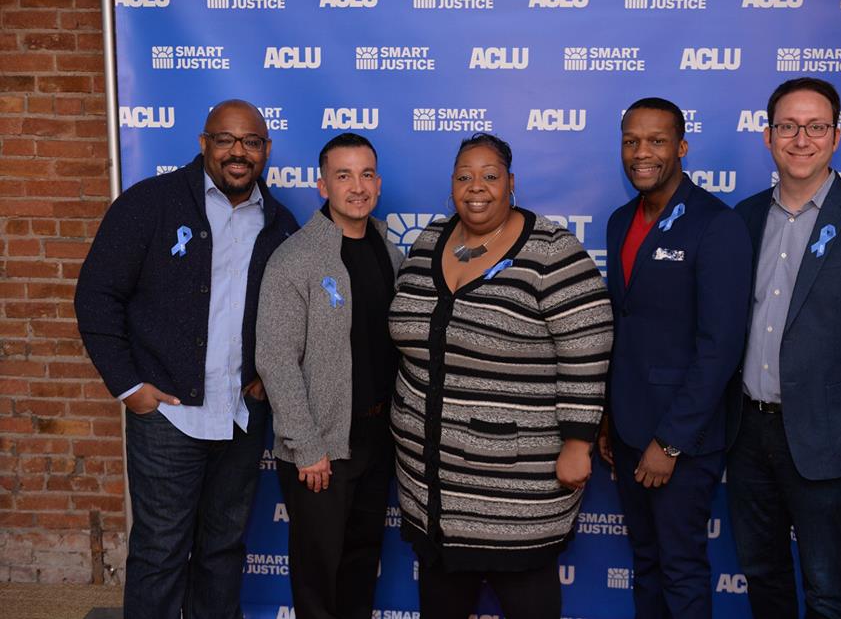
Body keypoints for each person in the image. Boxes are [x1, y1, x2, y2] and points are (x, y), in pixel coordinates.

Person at [74, 99, 299, 619]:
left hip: (239, 418)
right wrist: (130, 387)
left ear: (266, 150)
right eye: (225, 139)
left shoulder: (279, 222)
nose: (238, 152)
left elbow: (293, 313)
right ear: (204, 143)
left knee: (222, 549)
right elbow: (96, 295)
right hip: (168, 416)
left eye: (251, 142)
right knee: (160, 551)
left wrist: (264, 372)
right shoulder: (150, 203)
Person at [388, 133, 613, 619]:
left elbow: (588, 346)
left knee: (527, 598)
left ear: (512, 183)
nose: (477, 187)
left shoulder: (552, 250)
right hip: (432, 488)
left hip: (516, 489)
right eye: (464, 176)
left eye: (490, 176)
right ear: (451, 185)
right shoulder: (430, 241)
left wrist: (578, 442)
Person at [727, 77, 841, 619]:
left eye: (815, 127)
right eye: (788, 126)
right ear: (768, 136)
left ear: (835, 137)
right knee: (762, 576)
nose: (801, 139)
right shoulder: (742, 219)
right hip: (746, 434)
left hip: (829, 442)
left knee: (828, 587)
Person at [599, 98, 752, 618]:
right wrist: (609, 417)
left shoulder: (716, 224)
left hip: (681, 439)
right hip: (627, 430)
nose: (641, 153)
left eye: (656, 141)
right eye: (631, 141)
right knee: (646, 563)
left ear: (681, 147)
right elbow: (625, 328)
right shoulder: (620, 221)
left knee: (681, 569)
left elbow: (720, 346)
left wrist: (670, 442)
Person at [256, 133, 403, 619]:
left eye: (366, 175)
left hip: (376, 439)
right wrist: (307, 445)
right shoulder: (295, 258)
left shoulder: (388, 251)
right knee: (318, 576)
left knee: (361, 565)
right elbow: (275, 359)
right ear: (322, 186)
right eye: (343, 176)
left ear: (378, 184)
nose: (357, 187)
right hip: (320, 450)